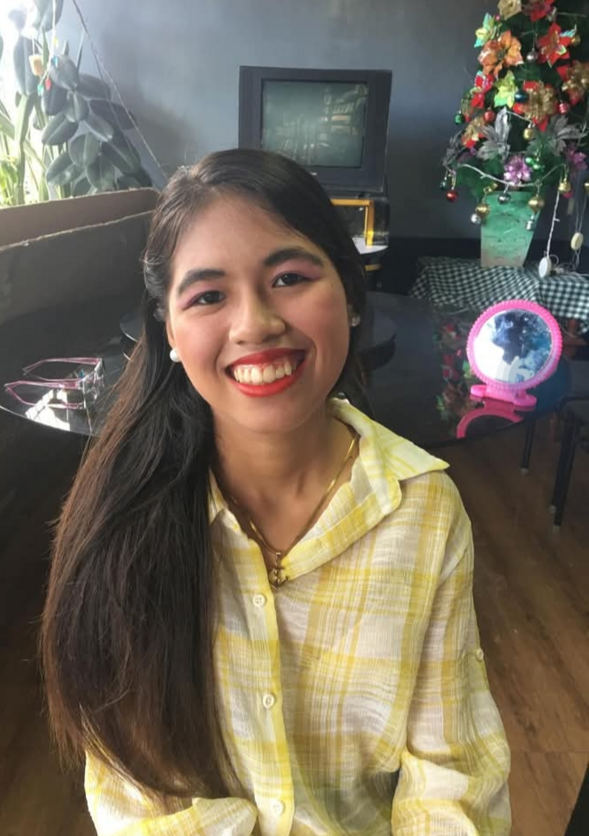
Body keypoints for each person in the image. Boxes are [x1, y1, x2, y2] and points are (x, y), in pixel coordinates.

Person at [39, 148, 511, 835]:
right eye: (208, 296)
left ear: (351, 296)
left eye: (288, 278)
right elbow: (135, 793)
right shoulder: (122, 514)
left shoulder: (423, 512)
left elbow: (452, 777)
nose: (255, 324)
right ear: (169, 331)